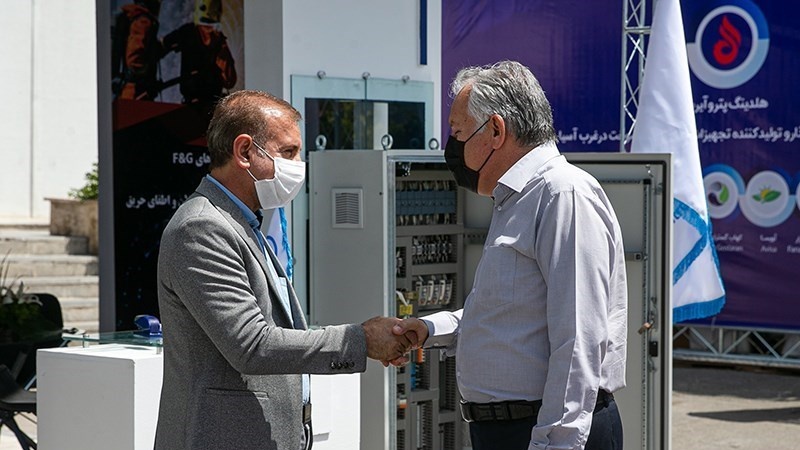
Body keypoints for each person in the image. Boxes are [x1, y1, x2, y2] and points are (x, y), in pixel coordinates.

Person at [154, 90, 412, 450]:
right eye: (288, 152)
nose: (298, 165)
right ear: (245, 152)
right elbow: (252, 344)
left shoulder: (243, 222)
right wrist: (361, 340)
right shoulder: (202, 227)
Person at [391, 61, 628, 450]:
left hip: (545, 432)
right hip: (511, 429)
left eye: (458, 133)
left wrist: (555, 443)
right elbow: (512, 315)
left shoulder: (561, 194)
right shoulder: (517, 199)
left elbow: (578, 338)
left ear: (496, 131)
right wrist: (431, 329)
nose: (452, 148)